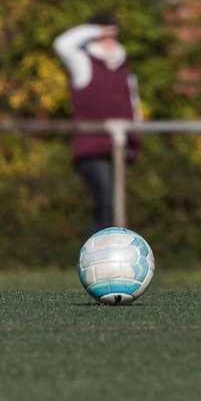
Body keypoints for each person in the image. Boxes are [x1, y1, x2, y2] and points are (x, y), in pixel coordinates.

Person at [55, 13, 142, 236]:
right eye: (104, 35)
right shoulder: (83, 62)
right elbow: (62, 44)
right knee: (106, 201)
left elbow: (133, 104)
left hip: (121, 144)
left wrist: (135, 139)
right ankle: (101, 258)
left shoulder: (124, 67)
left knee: (112, 204)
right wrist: (95, 30)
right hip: (92, 146)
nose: (109, 39)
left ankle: (108, 256)